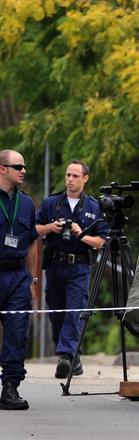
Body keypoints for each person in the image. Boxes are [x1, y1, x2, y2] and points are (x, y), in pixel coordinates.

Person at [36, 160, 108, 378]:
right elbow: (35, 229)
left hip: (79, 266)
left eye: (75, 176)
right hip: (55, 265)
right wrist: (51, 227)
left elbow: (102, 241)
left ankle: (66, 356)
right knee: (55, 310)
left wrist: (81, 234)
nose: (70, 179)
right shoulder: (51, 203)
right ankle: (73, 356)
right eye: (68, 175)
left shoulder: (94, 207)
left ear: (85, 179)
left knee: (74, 311)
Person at [0, 149, 38, 410]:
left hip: (17, 277)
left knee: (16, 332)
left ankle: (10, 388)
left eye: (24, 166)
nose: (23, 170)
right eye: (18, 166)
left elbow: (32, 242)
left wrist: (33, 279)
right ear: (2, 169)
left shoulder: (26, 203)